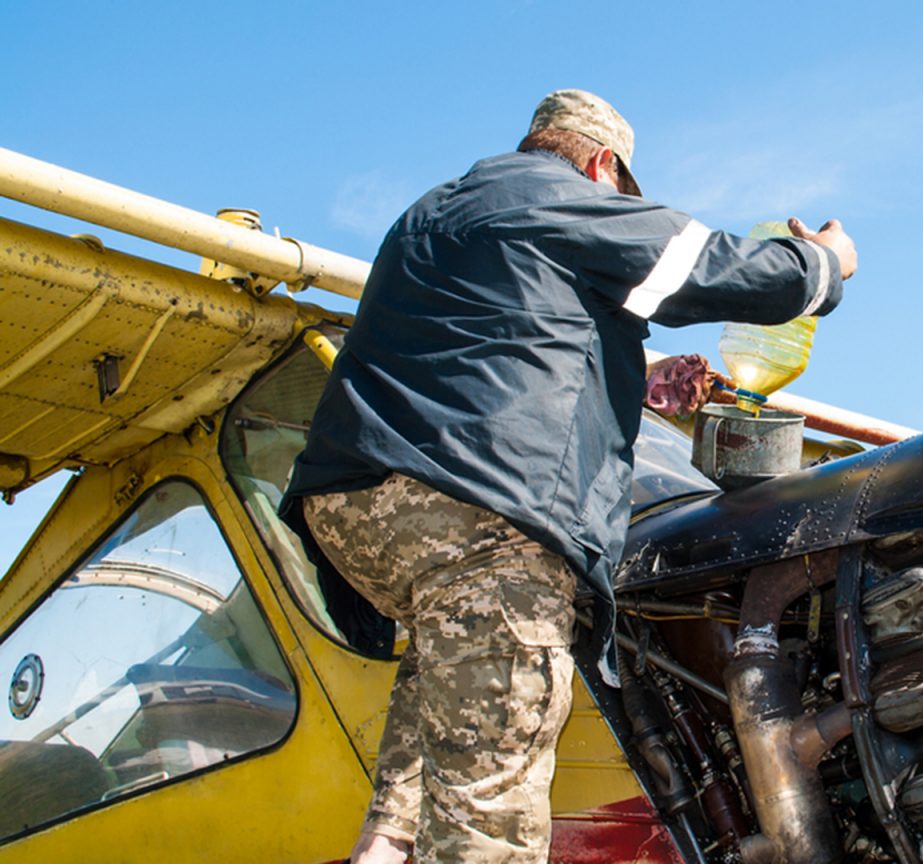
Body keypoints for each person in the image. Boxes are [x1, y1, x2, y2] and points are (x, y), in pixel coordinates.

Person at [279, 89, 857, 864]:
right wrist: (826, 263)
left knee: (450, 647)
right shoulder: (566, 198)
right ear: (600, 163)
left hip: (355, 511)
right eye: (622, 191)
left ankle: (389, 837)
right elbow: (727, 271)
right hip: (475, 510)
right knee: (493, 801)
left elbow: (491, 348)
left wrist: (636, 380)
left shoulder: (437, 212)